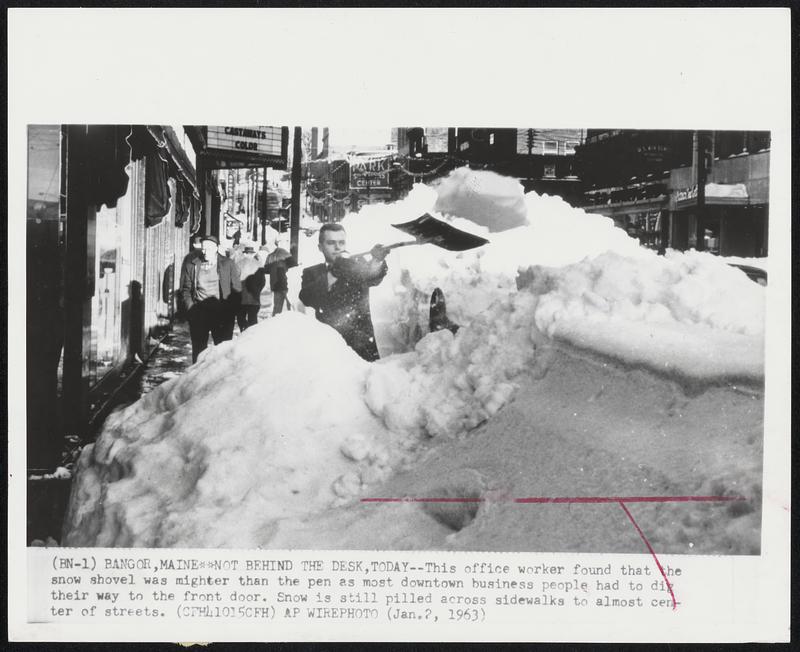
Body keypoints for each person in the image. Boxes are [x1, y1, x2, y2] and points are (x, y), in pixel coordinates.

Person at [299, 223, 389, 361]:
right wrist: (333, 274)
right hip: (329, 345)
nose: (337, 247)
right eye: (331, 243)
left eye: (341, 242)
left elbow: (373, 276)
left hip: (361, 343)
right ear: (320, 247)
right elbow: (306, 297)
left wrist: (377, 260)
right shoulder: (312, 272)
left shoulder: (357, 265)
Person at [180, 234, 241, 363]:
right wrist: (191, 310)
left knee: (222, 354)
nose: (205, 252)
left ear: (217, 248)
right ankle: (198, 381)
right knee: (199, 353)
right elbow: (186, 289)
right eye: (203, 248)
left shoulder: (228, 264)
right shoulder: (192, 264)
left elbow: (236, 290)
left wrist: (230, 312)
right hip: (199, 314)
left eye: (209, 248)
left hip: (221, 315)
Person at [236, 245, 266, 331]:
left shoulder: (238, 264)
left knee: (241, 317)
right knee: (253, 319)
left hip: (241, 296)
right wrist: (257, 290)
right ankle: (251, 338)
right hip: (254, 296)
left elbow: (234, 280)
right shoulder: (259, 264)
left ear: (244, 254)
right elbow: (263, 281)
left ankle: (244, 331)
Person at [265, 247, 295, 315]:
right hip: (286, 285)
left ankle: (274, 323)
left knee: (277, 308)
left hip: (275, 285)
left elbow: (266, 270)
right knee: (291, 307)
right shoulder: (286, 254)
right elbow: (294, 264)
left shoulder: (270, 257)